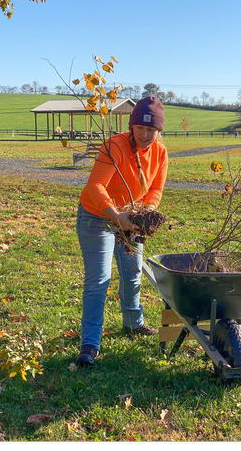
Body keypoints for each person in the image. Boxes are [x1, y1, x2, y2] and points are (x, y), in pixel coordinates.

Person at [75, 95, 168, 367]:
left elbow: (155, 189)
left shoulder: (160, 153)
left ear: (158, 131)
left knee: (132, 271)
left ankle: (133, 323)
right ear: (131, 125)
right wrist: (116, 216)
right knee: (99, 279)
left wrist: (142, 212)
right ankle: (90, 343)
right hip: (97, 215)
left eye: (151, 130)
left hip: (132, 216)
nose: (145, 134)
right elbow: (95, 186)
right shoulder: (114, 145)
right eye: (140, 128)